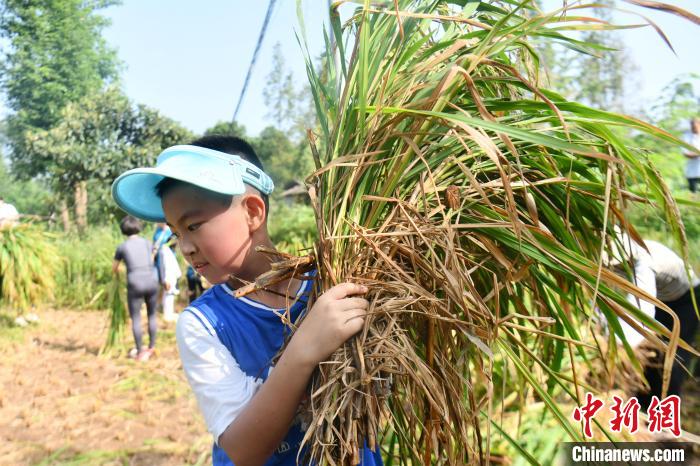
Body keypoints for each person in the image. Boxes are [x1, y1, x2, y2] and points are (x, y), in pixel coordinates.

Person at [111, 136, 382, 465]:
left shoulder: (332, 283)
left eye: (193, 225)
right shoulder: (203, 323)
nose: (184, 247)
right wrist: (304, 348)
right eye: (176, 232)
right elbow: (244, 450)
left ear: (253, 212)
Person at [610, 235, 699, 407]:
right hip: (660, 298)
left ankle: (664, 411)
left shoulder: (644, 262)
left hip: (687, 300)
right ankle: (642, 404)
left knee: (672, 357)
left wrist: (623, 344)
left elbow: (642, 308)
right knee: (649, 353)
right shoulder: (616, 258)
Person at [112, 215, 160, 362]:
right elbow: (152, 259)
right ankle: (151, 347)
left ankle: (140, 351)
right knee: (152, 315)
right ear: (138, 227)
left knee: (136, 318)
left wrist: (119, 274)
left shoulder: (122, 247)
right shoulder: (147, 243)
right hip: (151, 281)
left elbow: (114, 268)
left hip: (135, 283)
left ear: (123, 230)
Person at [158, 238, 182, 322]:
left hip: (170, 277)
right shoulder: (165, 251)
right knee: (168, 295)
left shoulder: (167, 250)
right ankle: (168, 315)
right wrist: (166, 279)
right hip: (169, 277)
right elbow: (166, 266)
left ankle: (169, 313)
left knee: (169, 295)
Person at [682, 117, 700, 193]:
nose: (694, 128)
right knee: (693, 193)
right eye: (692, 126)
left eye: (695, 126)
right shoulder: (686, 137)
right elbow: (686, 153)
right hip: (692, 172)